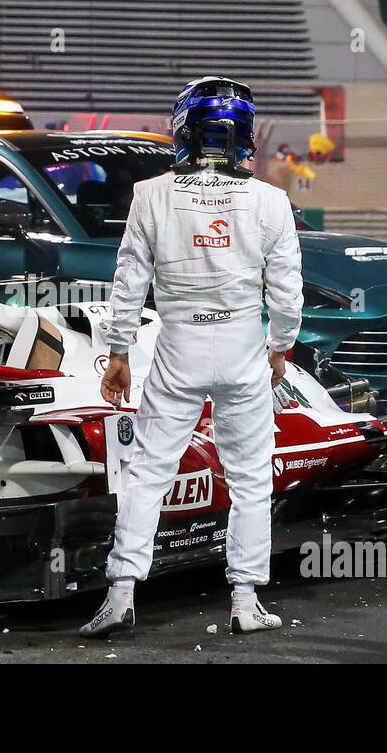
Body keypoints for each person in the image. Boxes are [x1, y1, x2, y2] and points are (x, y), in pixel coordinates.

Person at [79, 76, 303, 638]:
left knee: (148, 473)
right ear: (244, 134)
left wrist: (117, 352)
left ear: (184, 128)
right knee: (251, 478)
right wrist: (280, 345)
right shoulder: (271, 201)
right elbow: (287, 291)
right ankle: (246, 600)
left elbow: (129, 281)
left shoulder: (150, 195)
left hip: (177, 346)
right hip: (242, 349)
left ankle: (122, 593)